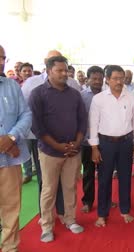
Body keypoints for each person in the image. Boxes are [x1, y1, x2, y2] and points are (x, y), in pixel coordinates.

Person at [29, 56, 87, 242]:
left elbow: (82, 121)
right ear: (48, 71)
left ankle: (70, 219)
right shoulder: (37, 94)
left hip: (72, 150)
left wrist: (76, 143)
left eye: (66, 70)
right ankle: (46, 225)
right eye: (59, 70)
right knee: (49, 190)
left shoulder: (74, 94)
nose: (64, 74)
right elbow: (36, 126)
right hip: (49, 151)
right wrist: (57, 146)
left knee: (70, 187)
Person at [88, 65, 134, 227]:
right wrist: (94, 148)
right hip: (105, 144)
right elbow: (93, 123)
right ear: (107, 80)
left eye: (121, 78)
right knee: (104, 180)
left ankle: (125, 210)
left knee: (125, 178)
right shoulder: (99, 99)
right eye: (115, 78)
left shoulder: (131, 97)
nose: (119, 81)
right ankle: (102, 214)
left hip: (126, 143)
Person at [0, 44, 32, 252]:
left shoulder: (11, 86)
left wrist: (11, 137)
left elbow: (26, 114)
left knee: (11, 207)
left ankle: (10, 247)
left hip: (9, 161)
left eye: (3, 57)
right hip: (8, 151)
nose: (2, 62)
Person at [80, 66, 104, 213]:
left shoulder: (109, 95)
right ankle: (88, 201)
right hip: (87, 141)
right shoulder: (81, 96)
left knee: (104, 173)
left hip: (105, 141)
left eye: (100, 79)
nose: (97, 82)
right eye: (94, 79)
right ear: (88, 80)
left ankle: (105, 199)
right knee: (88, 173)